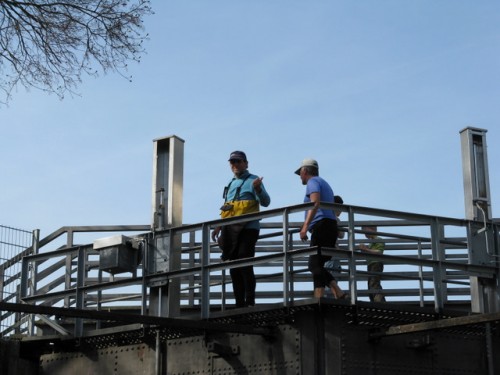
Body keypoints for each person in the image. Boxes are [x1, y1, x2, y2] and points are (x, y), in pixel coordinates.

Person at [211, 151, 271, 308]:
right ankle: (239, 304)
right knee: (234, 268)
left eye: (238, 161)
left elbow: (266, 202)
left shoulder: (253, 180)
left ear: (246, 163)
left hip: (248, 228)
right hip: (231, 230)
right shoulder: (230, 183)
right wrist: (219, 226)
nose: (235, 164)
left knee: (245, 263)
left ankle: (249, 302)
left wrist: (258, 189)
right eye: (232, 162)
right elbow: (228, 208)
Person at [295, 159, 347, 299]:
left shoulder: (313, 182)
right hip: (329, 226)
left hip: (322, 226)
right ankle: (325, 296)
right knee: (317, 265)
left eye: (300, 173)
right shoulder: (325, 183)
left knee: (314, 265)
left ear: (305, 171)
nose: (300, 176)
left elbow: (315, 203)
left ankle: (328, 293)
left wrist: (305, 227)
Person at [358, 226, 386, 302]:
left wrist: (366, 249)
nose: (365, 235)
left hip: (376, 263)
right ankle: (374, 300)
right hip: (371, 264)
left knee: (374, 283)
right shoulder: (371, 242)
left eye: (366, 232)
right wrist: (364, 250)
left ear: (373, 229)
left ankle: (379, 302)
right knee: (371, 284)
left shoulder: (378, 239)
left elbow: (379, 252)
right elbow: (371, 252)